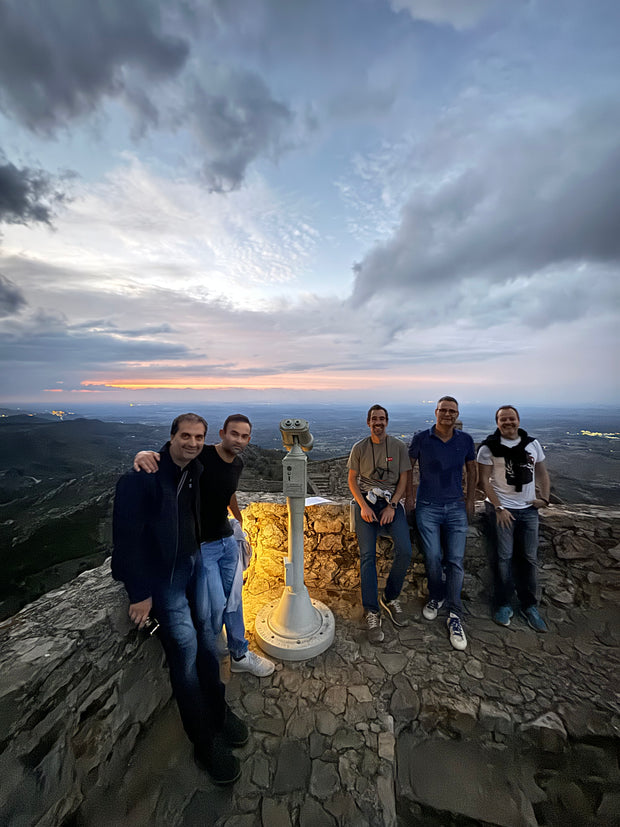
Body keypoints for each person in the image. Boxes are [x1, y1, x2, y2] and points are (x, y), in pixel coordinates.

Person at [112, 413, 247, 785]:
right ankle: (204, 742)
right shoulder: (143, 480)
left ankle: (218, 713)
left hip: (193, 566)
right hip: (165, 583)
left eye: (197, 437)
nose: (191, 442)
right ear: (171, 437)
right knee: (185, 659)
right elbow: (124, 541)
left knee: (208, 643)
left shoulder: (195, 470)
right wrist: (139, 593)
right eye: (185, 436)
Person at [134, 414, 275, 677]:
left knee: (234, 602)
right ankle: (210, 657)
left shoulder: (238, 464)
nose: (239, 440)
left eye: (245, 436)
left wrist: (239, 518)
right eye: (234, 434)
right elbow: (171, 460)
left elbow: (229, 490)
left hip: (226, 542)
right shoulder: (202, 457)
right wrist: (144, 454)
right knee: (212, 607)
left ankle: (239, 653)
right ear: (222, 433)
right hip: (202, 549)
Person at [409, 396, 477, 651]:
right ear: (436, 412)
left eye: (452, 411)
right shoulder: (421, 438)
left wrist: (470, 500)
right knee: (434, 556)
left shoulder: (465, 440)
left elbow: (472, 472)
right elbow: (408, 468)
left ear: (457, 414)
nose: (448, 414)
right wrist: (409, 497)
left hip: (456, 507)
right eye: (444, 410)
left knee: (456, 561)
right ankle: (437, 596)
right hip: (427, 506)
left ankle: (455, 613)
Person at [477, 405, 550, 632]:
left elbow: (541, 472)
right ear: (497, 423)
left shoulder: (532, 444)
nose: (508, 423)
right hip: (502, 511)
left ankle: (529, 605)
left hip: (528, 510)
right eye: (503, 420)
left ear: (518, 420)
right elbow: (483, 481)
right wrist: (499, 508)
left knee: (529, 558)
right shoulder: (488, 448)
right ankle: (504, 604)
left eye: (511, 419)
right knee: (504, 557)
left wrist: (545, 499)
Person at [348, 404, 412, 643]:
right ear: (368, 422)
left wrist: (392, 506)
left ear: (387, 421)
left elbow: (404, 479)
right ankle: (371, 610)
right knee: (367, 556)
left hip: (391, 503)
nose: (378, 422)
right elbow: (352, 480)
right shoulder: (360, 448)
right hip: (365, 503)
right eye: (374, 419)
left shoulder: (398, 447)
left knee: (405, 550)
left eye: (382, 418)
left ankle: (391, 596)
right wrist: (363, 506)